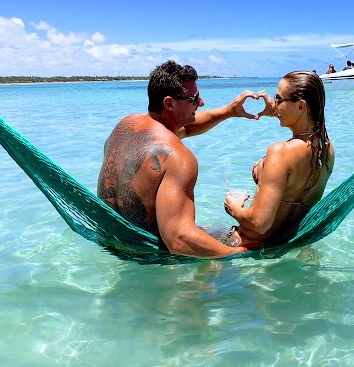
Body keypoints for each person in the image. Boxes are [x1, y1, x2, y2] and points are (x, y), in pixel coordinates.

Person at [97, 60, 263, 258]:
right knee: (245, 238)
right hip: (149, 255)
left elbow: (187, 127)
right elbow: (179, 240)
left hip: (111, 240)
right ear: (169, 103)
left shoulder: (125, 126)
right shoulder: (179, 158)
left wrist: (229, 111)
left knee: (214, 230)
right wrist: (238, 252)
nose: (201, 103)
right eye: (194, 99)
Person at [223, 71, 335, 247]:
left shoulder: (281, 152)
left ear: (301, 106)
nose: (275, 105)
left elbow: (259, 223)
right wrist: (276, 111)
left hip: (245, 245)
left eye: (279, 100)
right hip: (282, 243)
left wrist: (234, 208)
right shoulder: (327, 150)